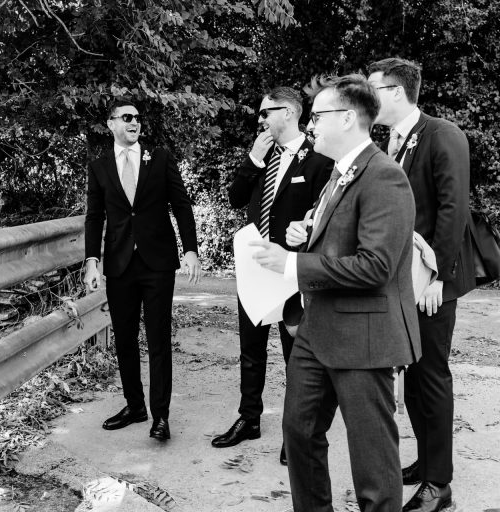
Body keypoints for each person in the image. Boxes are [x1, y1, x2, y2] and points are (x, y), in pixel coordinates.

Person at [252, 74, 420, 512]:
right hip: (317, 330)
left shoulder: (384, 176)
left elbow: (376, 266)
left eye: (318, 116)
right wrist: (306, 231)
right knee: (299, 431)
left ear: (347, 118)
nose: (310, 126)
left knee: (372, 455)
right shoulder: (337, 173)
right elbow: (339, 236)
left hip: (364, 337)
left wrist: (293, 264)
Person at [368, 57, 475, 512]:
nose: (366, 97)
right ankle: (427, 461)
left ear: (396, 92)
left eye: (373, 89)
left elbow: (453, 211)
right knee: (410, 375)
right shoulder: (391, 141)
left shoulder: (442, 134)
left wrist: (440, 279)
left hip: (431, 283)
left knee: (430, 377)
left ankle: (439, 485)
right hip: (399, 281)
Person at [215, 87, 332, 467]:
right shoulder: (260, 156)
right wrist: (253, 158)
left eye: (267, 112)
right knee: (251, 350)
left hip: (291, 271)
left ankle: (295, 431)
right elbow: (235, 198)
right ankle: (249, 419)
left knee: (295, 355)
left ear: (290, 112)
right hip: (254, 268)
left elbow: (325, 219)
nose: (260, 118)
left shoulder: (318, 160)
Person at [84, 99, 201, 441]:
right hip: (119, 263)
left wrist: (190, 250)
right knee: (124, 338)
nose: (134, 122)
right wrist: (92, 261)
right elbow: (95, 216)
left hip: (158, 262)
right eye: (127, 117)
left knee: (158, 337)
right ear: (111, 124)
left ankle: (160, 416)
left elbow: (181, 204)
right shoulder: (99, 166)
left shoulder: (159, 158)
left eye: (137, 117)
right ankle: (134, 405)